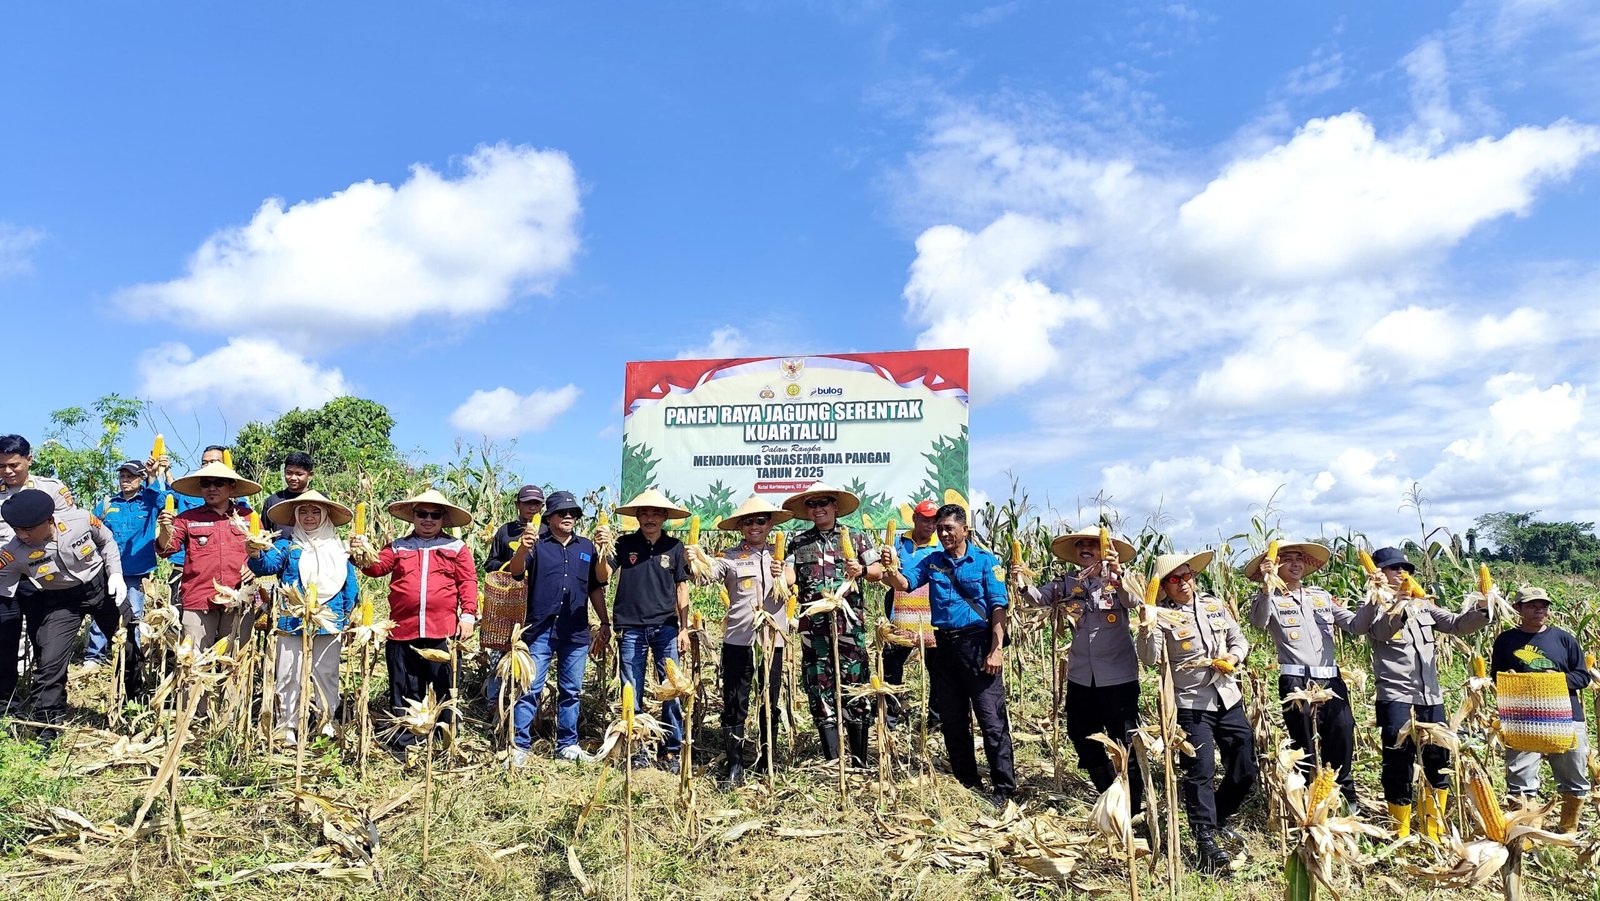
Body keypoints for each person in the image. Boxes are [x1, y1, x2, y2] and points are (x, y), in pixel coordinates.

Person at [1351, 546, 1489, 840]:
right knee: (1398, 763)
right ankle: (1399, 832)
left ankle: (1433, 830)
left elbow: (1456, 624)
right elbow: (1380, 633)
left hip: (1431, 699)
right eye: (1393, 568)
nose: (1402, 573)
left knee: (1437, 760)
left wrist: (1483, 607)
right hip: (1396, 698)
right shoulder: (1374, 606)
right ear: (1378, 574)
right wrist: (1397, 606)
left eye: (1405, 568)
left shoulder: (1424, 606)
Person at [883, 503, 1015, 800]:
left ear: (964, 530)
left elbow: (998, 608)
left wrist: (996, 650)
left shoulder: (984, 561)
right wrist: (891, 568)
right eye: (940, 529)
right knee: (953, 720)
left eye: (949, 529)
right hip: (943, 646)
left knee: (991, 720)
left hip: (977, 646)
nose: (943, 534)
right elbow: (904, 584)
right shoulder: (933, 561)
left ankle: (1004, 788)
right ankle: (968, 783)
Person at [1135, 551, 1255, 876]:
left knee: (1245, 765)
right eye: (1174, 579)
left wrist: (1234, 656)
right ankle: (1204, 840)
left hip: (1227, 695)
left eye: (1187, 576)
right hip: (1190, 704)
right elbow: (1149, 657)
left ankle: (1216, 818)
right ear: (1164, 586)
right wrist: (1146, 626)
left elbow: (1238, 638)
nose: (1183, 583)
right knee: (1199, 771)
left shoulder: (1214, 605)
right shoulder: (1160, 615)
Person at [0, 489, 143, 743]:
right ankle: (46, 727)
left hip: (102, 588)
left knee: (128, 647)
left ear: (49, 519)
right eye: (16, 529)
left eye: (28, 529)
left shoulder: (80, 520)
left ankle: (136, 705)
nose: (22, 535)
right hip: (60, 602)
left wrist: (116, 574)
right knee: (49, 663)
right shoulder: (13, 552)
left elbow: (107, 541)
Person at [1019, 526, 1142, 809]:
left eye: (1092, 544)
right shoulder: (1067, 582)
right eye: (1080, 544)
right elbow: (1039, 599)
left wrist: (1117, 577)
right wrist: (1023, 584)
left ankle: (1134, 807)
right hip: (1081, 677)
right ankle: (1108, 789)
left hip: (1117, 677)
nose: (1086, 548)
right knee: (1081, 734)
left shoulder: (1122, 580)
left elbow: (1134, 602)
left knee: (1125, 742)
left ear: (1104, 549)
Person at [354, 488, 478, 749]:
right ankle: (405, 742)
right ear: (413, 516)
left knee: (444, 689)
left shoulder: (456, 548)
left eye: (434, 515)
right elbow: (376, 568)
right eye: (422, 513)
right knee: (405, 689)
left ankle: (444, 741)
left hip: (441, 631)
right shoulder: (399, 546)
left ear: (444, 519)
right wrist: (361, 552)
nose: (428, 519)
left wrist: (467, 615)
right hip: (403, 630)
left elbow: (467, 581)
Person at [1246, 542, 1365, 809]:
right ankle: (1308, 804)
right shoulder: (1270, 599)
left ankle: (1346, 799)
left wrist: (1372, 598)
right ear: (1275, 566)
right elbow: (1258, 622)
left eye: (1299, 559)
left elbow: (1356, 625)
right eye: (1287, 559)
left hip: (1330, 679)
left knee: (1342, 734)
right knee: (1304, 745)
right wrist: (1266, 586)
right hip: (1296, 681)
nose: (1296, 564)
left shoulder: (1321, 597)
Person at [686, 495, 791, 786]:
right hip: (738, 641)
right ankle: (735, 764)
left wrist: (783, 574)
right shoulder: (730, 558)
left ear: (769, 523)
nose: (754, 526)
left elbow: (792, 580)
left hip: (772, 644)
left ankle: (767, 759)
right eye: (748, 521)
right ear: (741, 526)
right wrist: (696, 560)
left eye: (760, 520)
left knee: (768, 701)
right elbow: (706, 576)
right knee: (735, 702)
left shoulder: (782, 557)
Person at [779, 482, 883, 767]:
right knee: (819, 685)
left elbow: (877, 571)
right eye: (812, 504)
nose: (818, 508)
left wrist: (861, 570)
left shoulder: (857, 538)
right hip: (814, 628)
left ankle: (859, 760)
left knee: (855, 685)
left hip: (849, 626)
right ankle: (832, 760)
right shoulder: (798, 543)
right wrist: (781, 573)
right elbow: (790, 575)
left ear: (835, 506)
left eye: (823, 502)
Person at [247, 490, 359, 745]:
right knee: (288, 672)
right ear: (296, 516)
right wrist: (254, 554)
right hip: (291, 618)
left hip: (329, 618)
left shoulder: (339, 548)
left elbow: (350, 586)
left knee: (327, 673)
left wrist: (348, 616)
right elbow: (268, 566)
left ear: (325, 515)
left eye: (315, 511)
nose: (309, 517)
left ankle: (326, 722)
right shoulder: (288, 545)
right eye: (304, 511)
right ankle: (286, 725)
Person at [507, 490, 607, 765]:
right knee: (530, 688)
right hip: (540, 629)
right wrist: (524, 548)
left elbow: (599, 583)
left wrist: (605, 622)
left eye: (573, 513)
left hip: (575, 630)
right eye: (562, 512)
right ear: (548, 516)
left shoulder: (587, 547)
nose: (568, 517)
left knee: (571, 690)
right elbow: (516, 571)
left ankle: (567, 744)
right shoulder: (536, 543)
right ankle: (520, 746)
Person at [596, 488, 691, 773]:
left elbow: (682, 588)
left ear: (664, 517)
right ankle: (637, 748)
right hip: (631, 627)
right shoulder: (624, 544)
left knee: (672, 689)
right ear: (637, 516)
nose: (650, 518)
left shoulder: (675, 548)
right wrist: (602, 550)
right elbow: (603, 576)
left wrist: (684, 629)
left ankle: (670, 750)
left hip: (665, 627)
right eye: (644, 512)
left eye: (656, 513)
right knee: (631, 689)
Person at [1489, 585, 1589, 833]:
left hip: (1566, 718)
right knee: (1520, 780)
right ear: (1518, 609)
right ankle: (1527, 834)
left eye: (1543, 606)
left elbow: (1582, 677)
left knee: (1574, 776)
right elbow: (1495, 676)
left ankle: (1568, 830)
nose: (1539, 610)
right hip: (1522, 720)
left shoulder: (1564, 639)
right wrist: (1509, 677)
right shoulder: (1506, 641)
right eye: (1532, 606)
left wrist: (1555, 679)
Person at [0, 434, 75, 713]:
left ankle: (48, 704)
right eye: (1, 466)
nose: (7, 471)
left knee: (46, 644)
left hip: (41, 578)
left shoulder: (51, 489)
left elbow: (68, 530)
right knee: (3, 645)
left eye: (14, 465)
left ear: (29, 460)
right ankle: (6, 704)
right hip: (4, 582)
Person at [157, 459, 261, 651]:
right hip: (199, 598)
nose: (211, 488)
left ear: (232, 486)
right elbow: (166, 550)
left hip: (239, 597)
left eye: (218, 483)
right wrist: (165, 529)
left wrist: (254, 568)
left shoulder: (248, 517)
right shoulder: (187, 518)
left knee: (235, 662)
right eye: (206, 483)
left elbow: (263, 554)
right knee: (193, 662)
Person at [84, 461, 169, 669]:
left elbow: (163, 502)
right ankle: (94, 657)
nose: (125, 481)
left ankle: (132, 658)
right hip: (107, 569)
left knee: (133, 615)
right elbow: (89, 527)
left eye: (130, 477)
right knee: (103, 611)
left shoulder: (148, 502)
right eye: (122, 477)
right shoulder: (108, 504)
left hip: (136, 571)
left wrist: (153, 477)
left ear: (140, 479)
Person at [882, 500, 942, 730]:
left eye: (934, 520)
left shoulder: (941, 545)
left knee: (937, 669)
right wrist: (891, 573)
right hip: (900, 610)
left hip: (933, 611)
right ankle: (891, 718)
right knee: (892, 665)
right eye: (925, 519)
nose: (930, 524)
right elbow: (885, 577)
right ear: (915, 518)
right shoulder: (898, 543)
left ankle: (935, 720)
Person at [485, 485, 546, 572]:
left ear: (542, 506)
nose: (532, 507)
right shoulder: (505, 530)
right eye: (527, 502)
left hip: (540, 585)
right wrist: (511, 566)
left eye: (536, 503)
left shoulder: (548, 531)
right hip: (510, 584)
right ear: (517, 504)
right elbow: (490, 564)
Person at [260, 452, 315, 541]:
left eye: (299, 474)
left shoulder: (319, 500)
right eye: (289, 473)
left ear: (310, 475)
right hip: (278, 553)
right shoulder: (273, 501)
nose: (293, 477)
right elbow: (264, 533)